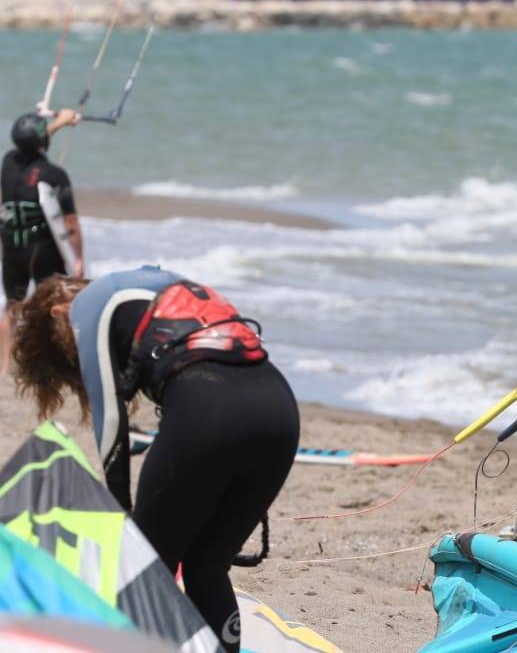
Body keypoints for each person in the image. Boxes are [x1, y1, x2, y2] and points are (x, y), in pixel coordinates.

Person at [7, 268, 300, 652]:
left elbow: (111, 418)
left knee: (146, 568)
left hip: (209, 410)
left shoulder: (86, 309)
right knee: (207, 567)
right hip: (280, 413)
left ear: (58, 314)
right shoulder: (154, 284)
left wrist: (121, 512)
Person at [2, 110, 85, 302]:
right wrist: (78, 259)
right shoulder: (54, 175)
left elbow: (31, 142)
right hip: (43, 252)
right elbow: (70, 223)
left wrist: (59, 122)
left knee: (12, 309)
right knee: (55, 307)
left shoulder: (8, 163)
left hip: (12, 250)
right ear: (43, 142)